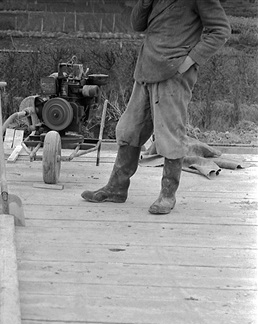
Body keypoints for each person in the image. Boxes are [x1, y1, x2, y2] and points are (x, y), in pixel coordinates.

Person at [81, 0, 231, 214]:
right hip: (145, 69)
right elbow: (137, 24)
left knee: (170, 134)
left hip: (173, 74)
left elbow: (220, 30)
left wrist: (189, 62)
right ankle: (116, 188)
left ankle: (167, 195)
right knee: (129, 129)